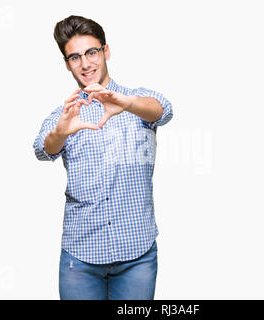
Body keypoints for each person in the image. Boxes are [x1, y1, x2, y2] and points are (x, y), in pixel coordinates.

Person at [32, 15, 173, 300]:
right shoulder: (65, 116)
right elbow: (42, 149)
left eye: (91, 52)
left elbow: (164, 110)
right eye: (75, 57)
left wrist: (127, 103)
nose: (85, 64)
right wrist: (61, 132)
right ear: (67, 63)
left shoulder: (137, 102)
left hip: (137, 255)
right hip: (80, 259)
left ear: (105, 51)